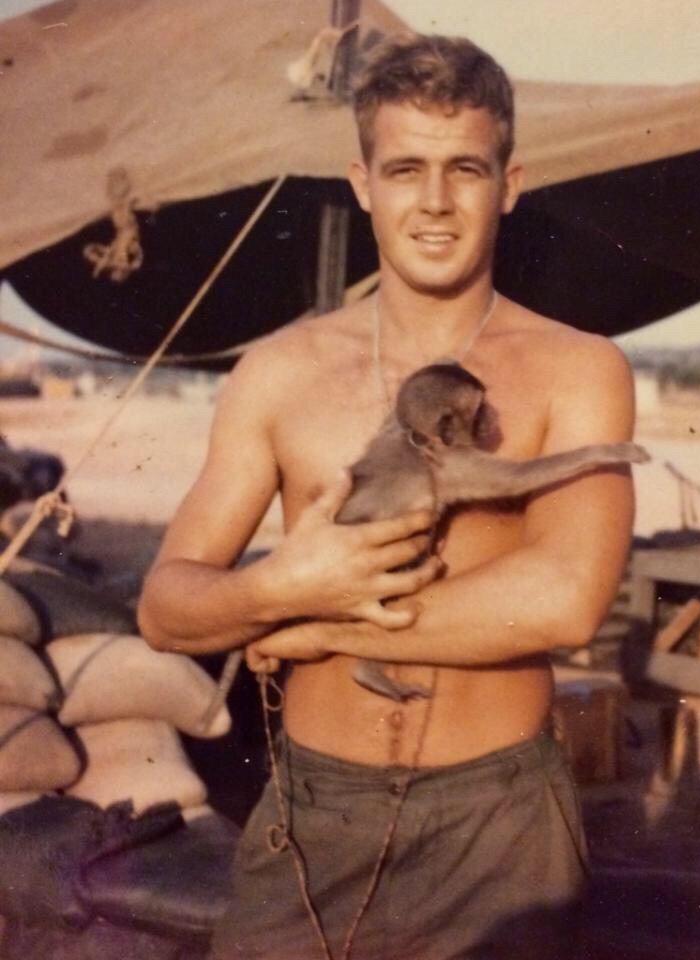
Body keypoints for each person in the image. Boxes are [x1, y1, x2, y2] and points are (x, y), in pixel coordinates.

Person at [138, 32, 636, 960]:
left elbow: (563, 598)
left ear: (510, 182)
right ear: (361, 183)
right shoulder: (278, 372)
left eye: (466, 169)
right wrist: (275, 594)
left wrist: (314, 624)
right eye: (405, 168)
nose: (437, 202)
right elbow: (168, 608)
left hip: (498, 827)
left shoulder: (577, 368)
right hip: (310, 814)